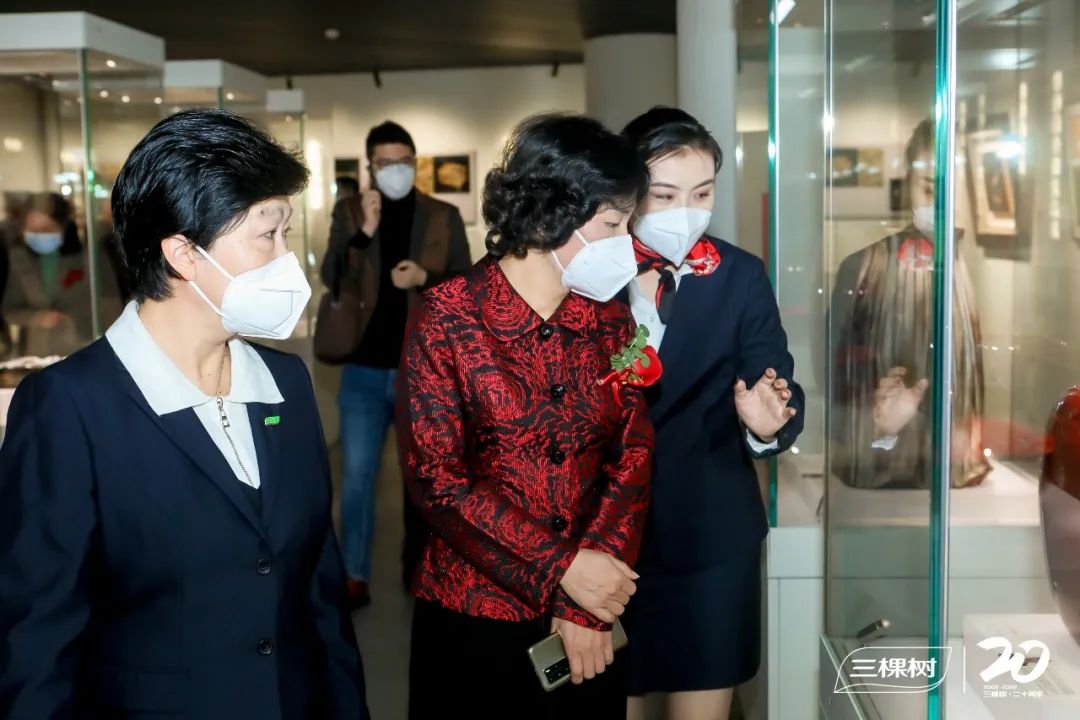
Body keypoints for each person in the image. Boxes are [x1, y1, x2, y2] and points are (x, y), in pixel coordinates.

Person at [0, 109, 368, 719]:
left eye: (287, 233)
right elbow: (37, 645)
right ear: (183, 254)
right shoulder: (69, 407)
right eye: (267, 235)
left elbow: (320, 595)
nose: (287, 261)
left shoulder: (285, 384)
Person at [401, 113, 654, 720]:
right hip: (473, 612)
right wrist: (563, 568)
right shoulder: (447, 317)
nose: (626, 244)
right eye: (613, 225)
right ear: (547, 216)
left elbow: (633, 452)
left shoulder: (609, 317)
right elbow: (438, 481)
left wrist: (586, 598)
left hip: (591, 616)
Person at [617, 107, 805, 720]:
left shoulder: (739, 275)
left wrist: (767, 425)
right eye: (665, 195)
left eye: (702, 193)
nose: (686, 210)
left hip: (711, 535)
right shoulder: (591, 274)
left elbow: (776, 382)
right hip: (607, 540)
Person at [319, 120, 472, 607]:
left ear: (414, 162)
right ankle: (354, 574)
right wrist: (363, 233)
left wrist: (425, 276)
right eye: (385, 163)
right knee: (357, 477)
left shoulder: (442, 214)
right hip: (363, 369)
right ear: (370, 166)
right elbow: (331, 275)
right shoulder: (349, 211)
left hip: (423, 371)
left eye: (403, 161)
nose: (395, 170)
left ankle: (419, 571)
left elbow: (467, 286)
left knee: (422, 481)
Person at [830, 119, 990, 490]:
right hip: (880, 459)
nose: (940, 201)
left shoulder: (964, 270)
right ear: (909, 184)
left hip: (951, 465)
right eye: (929, 187)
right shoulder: (866, 267)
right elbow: (838, 371)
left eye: (951, 187)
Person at [0, 192, 92, 357]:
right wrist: (36, 317)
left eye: (46, 229)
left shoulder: (85, 260)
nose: (38, 236)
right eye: (32, 230)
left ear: (63, 227)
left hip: (80, 348)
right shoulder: (17, 260)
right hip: (34, 352)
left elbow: (103, 306)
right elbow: (10, 308)